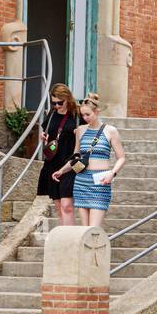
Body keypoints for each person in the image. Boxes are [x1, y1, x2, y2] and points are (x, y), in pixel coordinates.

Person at [52, 92, 125, 228]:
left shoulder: (110, 131)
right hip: (81, 181)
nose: (85, 118)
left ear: (96, 112)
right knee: (85, 231)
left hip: (100, 181)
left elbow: (122, 158)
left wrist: (112, 173)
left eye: (88, 115)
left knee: (93, 229)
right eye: (82, 115)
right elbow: (76, 157)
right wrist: (61, 171)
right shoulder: (80, 130)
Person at [36, 84, 80, 226]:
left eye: (60, 102)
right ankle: (64, 237)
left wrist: (80, 133)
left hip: (70, 164)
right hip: (53, 163)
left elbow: (91, 133)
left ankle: (71, 238)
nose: (57, 106)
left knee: (67, 206)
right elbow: (46, 131)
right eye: (54, 103)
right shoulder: (52, 114)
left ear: (67, 99)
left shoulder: (77, 115)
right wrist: (43, 136)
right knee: (59, 207)